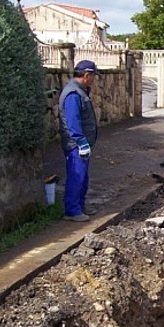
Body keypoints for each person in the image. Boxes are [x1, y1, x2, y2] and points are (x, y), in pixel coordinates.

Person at [58, 60, 100, 221]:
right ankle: (72, 210)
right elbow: (73, 120)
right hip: (75, 144)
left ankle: (80, 206)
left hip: (81, 144)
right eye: (93, 76)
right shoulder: (73, 94)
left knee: (83, 176)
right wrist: (81, 141)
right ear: (87, 75)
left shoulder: (79, 91)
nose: (94, 80)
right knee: (77, 175)